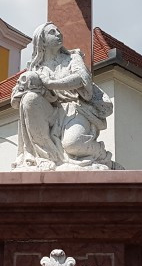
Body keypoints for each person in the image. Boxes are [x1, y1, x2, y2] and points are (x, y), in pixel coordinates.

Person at [10, 23, 116, 170]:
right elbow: (15, 101)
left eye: (58, 31)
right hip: (51, 111)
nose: (58, 34)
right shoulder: (35, 68)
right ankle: (46, 157)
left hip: (75, 108)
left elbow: (81, 79)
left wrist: (51, 83)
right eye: (52, 32)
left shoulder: (72, 58)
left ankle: (101, 155)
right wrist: (24, 88)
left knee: (73, 144)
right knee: (29, 99)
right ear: (42, 41)